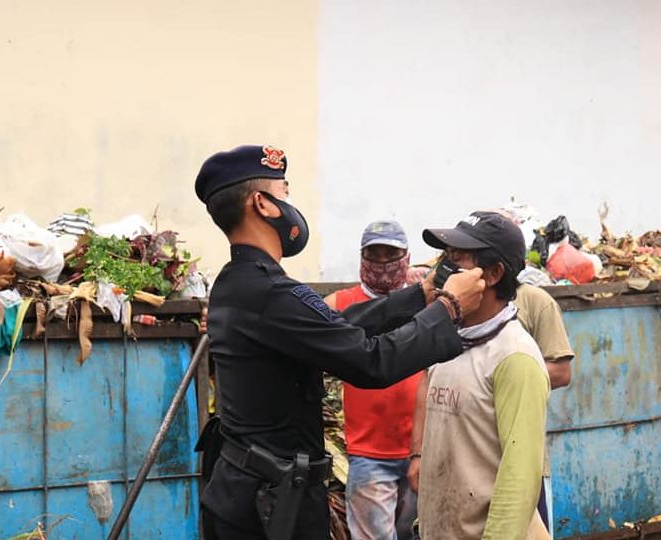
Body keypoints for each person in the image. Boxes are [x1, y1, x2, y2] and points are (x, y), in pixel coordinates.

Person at [193, 145, 485, 540]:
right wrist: (449, 308)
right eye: (285, 193)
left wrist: (421, 297)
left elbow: (332, 328)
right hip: (271, 509)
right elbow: (370, 361)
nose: (290, 203)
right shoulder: (270, 293)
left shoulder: (237, 283)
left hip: (244, 491)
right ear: (262, 204)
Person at [411, 211, 551, 539]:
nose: (444, 270)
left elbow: (520, 477)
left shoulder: (514, 356)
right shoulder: (447, 343)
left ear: (493, 274)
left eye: (457, 260)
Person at [323, 220, 420, 540]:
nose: (381, 262)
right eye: (373, 254)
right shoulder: (339, 304)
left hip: (424, 448)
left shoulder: (426, 302)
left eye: (390, 254)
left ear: (406, 257)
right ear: (361, 257)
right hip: (368, 453)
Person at [514, 282, 574, 536]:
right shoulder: (452, 301)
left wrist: (501, 375)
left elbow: (561, 372)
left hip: (522, 455)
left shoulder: (534, 302)